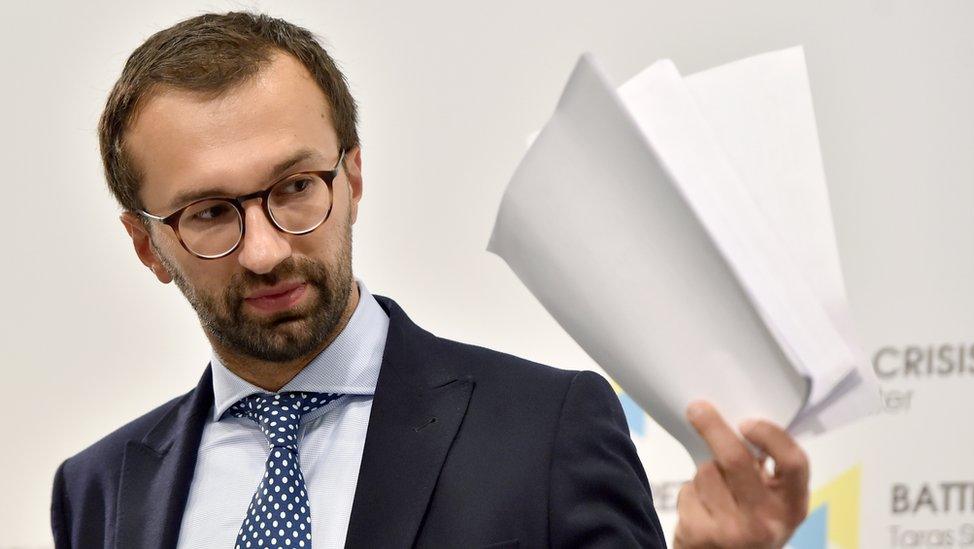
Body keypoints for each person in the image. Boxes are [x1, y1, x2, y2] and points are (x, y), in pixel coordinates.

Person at [50, 11, 809, 548]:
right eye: (211, 212)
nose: (265, 250)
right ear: (147, 245)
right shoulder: (98, 492)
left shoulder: (547, 430)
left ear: (352, 175)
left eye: (294, 189)